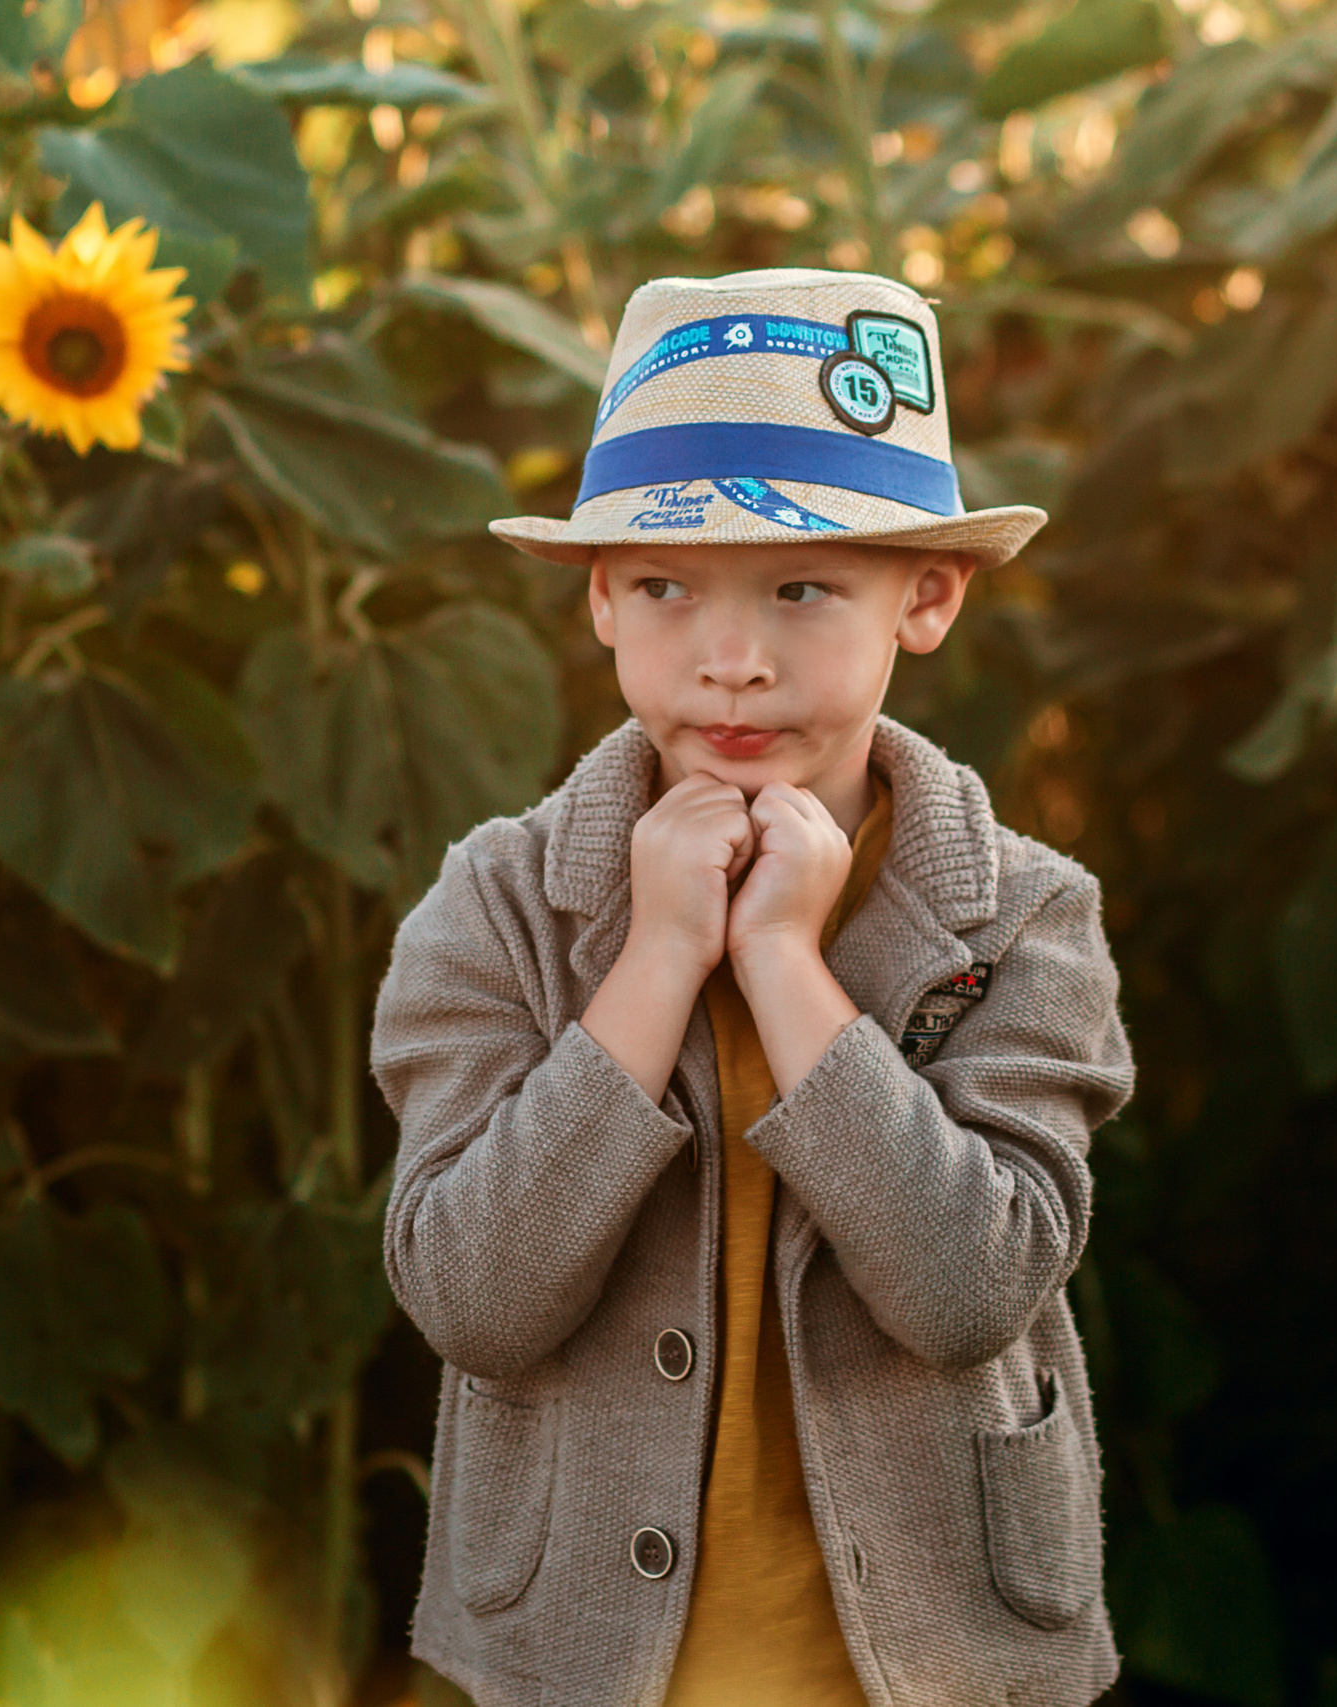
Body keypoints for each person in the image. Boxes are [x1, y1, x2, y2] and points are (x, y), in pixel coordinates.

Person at [371, 267, 1134, 1707]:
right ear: (600, 599)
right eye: (667, 587)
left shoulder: (1024, 917)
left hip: (930, 1668)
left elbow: (972, 1288)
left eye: (801, 587)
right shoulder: (496, 905)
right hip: (586, 1668)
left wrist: (783, 962)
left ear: (927, 595)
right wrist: (659, 959)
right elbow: (473, 1296)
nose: (730, 661)